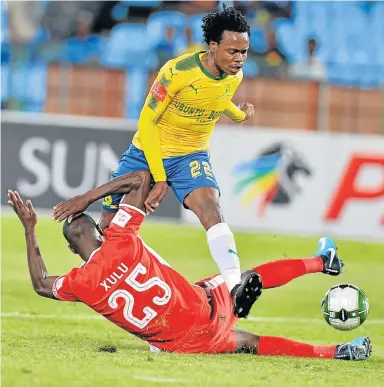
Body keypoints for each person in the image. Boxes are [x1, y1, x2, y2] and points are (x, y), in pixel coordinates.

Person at [9, 173, 371, 360]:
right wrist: (89, 196)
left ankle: (337, 352)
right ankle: (323, 261)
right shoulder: (120, 237)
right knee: (243, 277)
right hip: (201, 309)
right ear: (99, 234)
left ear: (73, 251)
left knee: (249, 343)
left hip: (181, 344)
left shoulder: (80, 282)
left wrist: (30, 230)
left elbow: (41, 283)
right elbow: (140, 178)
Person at [82, 5, 257, 319]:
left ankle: (235, 288)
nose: (239, 58)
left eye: (244, 51)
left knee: (210, 207)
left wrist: (239, 114)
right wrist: (159, 177)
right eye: (233, 51)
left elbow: (218, 101)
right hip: (147, 152)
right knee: (108, 229)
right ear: (213, 46)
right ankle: (118, 292)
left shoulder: (234, 75)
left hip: (191, 154)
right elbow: (147, 123)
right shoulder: (177, 72)